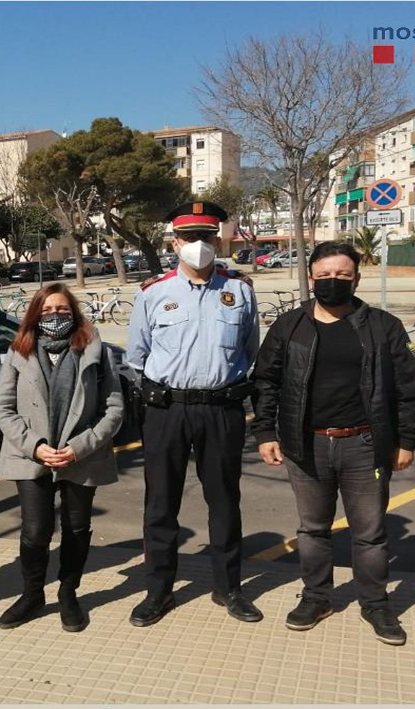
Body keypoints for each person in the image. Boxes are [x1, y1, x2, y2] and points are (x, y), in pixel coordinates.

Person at [250, 241, 415, 646]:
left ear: (357, 279)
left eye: (343, 276)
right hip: (305, 444)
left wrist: (406, 439)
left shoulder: (383, 327)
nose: (333, 282)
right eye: (324, 276)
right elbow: (265, 382)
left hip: (365, 444)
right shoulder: (290, 326)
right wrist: (265, 432)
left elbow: (410, 388)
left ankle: (376, 604)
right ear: (311, 278)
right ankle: (316, 597)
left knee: (370, 533)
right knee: (313, 530)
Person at [126, 201, 262, 627]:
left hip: (221, 409)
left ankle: (229, 588)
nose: (198, 245)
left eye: (206, 236)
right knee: (160, 504)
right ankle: (159, 590)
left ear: (218, 240)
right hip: (167, 410)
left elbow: (251, 353)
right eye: (190, 237)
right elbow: (135, 358)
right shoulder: (152, 293)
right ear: (174, 242)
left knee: (224, 502)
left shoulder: (240, 291)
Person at [0, 283, 124, 632]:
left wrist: (79, 447)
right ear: (35, 314)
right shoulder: (17, 352)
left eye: (63, 310)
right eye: (47, 310)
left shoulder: (96, 351)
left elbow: (113, 409)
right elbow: (2, 409)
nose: (55, 316)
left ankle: (69, 594)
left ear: (75, 313)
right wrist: (34, 446)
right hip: (31, 455)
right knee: (35, 531)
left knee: (77, 528)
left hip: (81, 455)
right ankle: (32, 594)